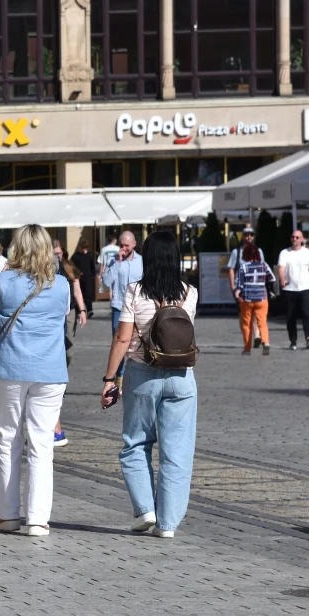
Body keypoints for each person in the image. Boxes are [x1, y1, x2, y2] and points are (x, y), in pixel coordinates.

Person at [100, 230, 198, 539]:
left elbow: (122, 338)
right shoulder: (190, 293)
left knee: (136, 442)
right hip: (182, 376)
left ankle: (145, 509)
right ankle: (167, 524)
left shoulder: (135, 292)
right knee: (177, 452)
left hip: (142, 373)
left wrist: (109, 379)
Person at [0, 224, 70, 538]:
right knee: (42, 445)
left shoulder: (4, 280)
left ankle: (6, 515)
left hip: (11, 366)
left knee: (8, 440)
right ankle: (38, 520)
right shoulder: (61, 284)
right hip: (50, 370)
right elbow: (62, 315)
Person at [51, 241, 88, 448]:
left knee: (68, 350)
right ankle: (56, 380)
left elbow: (77, 290)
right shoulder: (47, 268)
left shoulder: (68, 267)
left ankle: (60, 376)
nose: (57, 255)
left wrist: (82, 310)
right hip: (54, 313)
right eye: (54, 253)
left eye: (59, 252)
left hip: (69, 312)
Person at [101, 231, 143, 382]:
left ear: (134, 244)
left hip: (138, 307)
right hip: (119, 306)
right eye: (121, 245)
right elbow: (106, 282)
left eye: (127, 245)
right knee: (118, 342)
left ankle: (135, 374)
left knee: (137, 342)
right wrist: (118, 262)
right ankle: (119, 376)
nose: (124, 248)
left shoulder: (142, 261)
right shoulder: (113, 260)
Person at [277, 229, 309, 350]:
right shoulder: (285, 252)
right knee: (291, 316)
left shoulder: (308, 253)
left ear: (302, 239)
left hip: (305, 288)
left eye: (297, 237)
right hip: (290, 288)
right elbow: (281, 268)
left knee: (307, 313)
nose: (294, 239)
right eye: (293, 237)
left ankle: (308, 338)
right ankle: (293, 341)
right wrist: (282, 279)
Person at [232, 237, 274, 355]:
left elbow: (240, 284)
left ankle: (247, 349)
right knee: (262, 322)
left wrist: (237, 292)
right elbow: (272, 278)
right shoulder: (264, 265)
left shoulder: (244, 267)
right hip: (262, 298)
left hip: (247, 299)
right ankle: (266, 342)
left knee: (246, 324)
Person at [71, 238, 97, 318]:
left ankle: (90, 310)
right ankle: (79, 311)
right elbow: (72, 266)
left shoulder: (90, 255)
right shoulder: (75, 256)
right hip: (78, 279)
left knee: (88, 295)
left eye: (85, 248)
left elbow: (92, 267)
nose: (83, 250)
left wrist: (93, 275)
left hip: (88, 278)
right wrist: (77, 272)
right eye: (82, 248)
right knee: (78, 294)